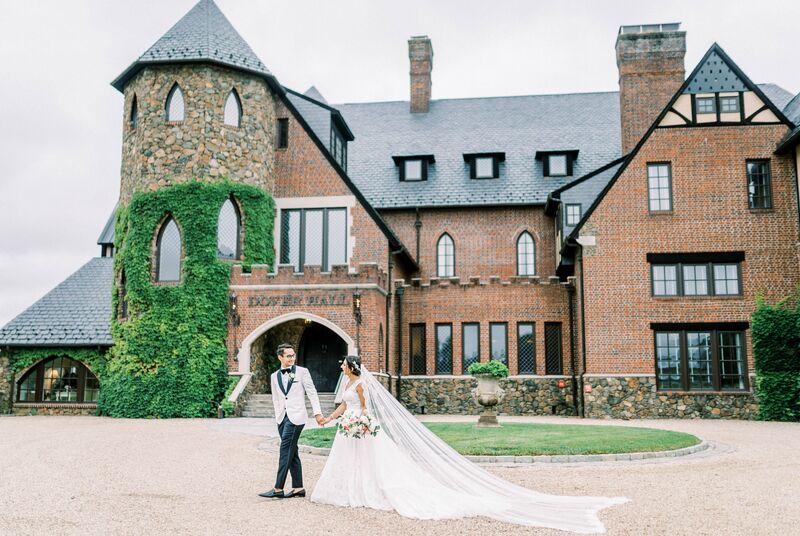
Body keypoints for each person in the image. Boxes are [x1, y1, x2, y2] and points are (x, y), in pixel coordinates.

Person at [311, 355, 628, 534]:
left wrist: (360, 423)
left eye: (343, 364)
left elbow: (365, 409)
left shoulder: (362, 384)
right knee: (348, 461)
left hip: (361, 428)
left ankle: (368, 490)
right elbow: (344, 405)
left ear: (351, 366)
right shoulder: (348, 383)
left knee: (370, 462)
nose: (340, 366)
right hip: (348, 428)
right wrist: (330, 419)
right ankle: (347, 491)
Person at [258, 343, 324, 499]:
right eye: (288, 356)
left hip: (297, 417)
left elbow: (312, 393)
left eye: (293, 355)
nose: (292, 358)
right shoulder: (274, 376)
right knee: (292, 452)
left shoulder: (302, 372)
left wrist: (317, 413)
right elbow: (276, 398)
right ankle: (298, 488)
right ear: (280, 357)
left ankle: (278, 488)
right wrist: (278, 416)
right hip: (282, 418)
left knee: (285, 449)